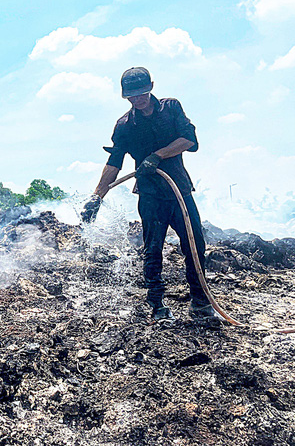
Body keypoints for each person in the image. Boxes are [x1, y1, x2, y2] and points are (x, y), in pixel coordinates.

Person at [81, 66, 217, 321]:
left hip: (179, 191)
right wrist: (97, 196)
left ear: (151, 87)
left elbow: (189, 140)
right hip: (151, 195)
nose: (137, 99)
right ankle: (157, 305)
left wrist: (157, 155)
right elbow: (114, 163)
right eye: (131, 96)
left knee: (195, 244)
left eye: (141, 93)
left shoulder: (171, 108)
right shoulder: (124, 126)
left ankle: (200, 303)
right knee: (153, 249)